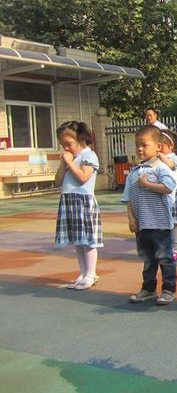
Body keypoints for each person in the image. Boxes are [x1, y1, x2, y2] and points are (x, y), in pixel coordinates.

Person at [123, 125, 177, 305]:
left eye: (144, 145)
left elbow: (169, 187)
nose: (140, 149)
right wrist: (131, 218)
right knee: (147, 259)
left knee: (164, 258)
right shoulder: (134, 172)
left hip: (159, 224)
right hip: (142, 226)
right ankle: (148, 289)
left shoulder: (160, 168)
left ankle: (168, 289)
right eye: (137, 145)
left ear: (158, 147)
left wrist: (147, 185)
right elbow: (128, 198)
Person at [54, 121, 103, 290]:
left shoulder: (89, 156)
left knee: (88, 240)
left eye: (68, 143)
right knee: (78, 241)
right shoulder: (70, 158)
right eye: (63, 145)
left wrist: (70, 163)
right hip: (69, 201)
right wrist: (64, 164)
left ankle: (91, 274)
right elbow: (58, 181)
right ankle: (83, 273)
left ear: (80, 139)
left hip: (83, 202)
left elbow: (83, 177)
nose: (66, 148)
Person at [159, 129, 177, 261]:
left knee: (174, 223)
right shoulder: (156, 159)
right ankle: (164, 247)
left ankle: (175, 248)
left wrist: (160, 156)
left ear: (170, 145)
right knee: (162, 224)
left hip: (172, 195)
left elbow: (171, 165)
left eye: (162, 145)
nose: (159, 148)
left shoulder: (173, 158)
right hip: (160, 194)